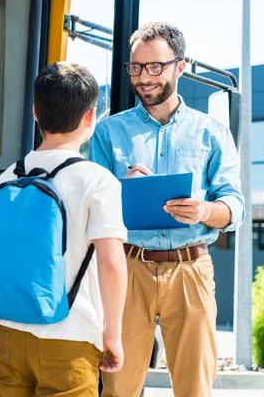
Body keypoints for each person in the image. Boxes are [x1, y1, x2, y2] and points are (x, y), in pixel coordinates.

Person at [90, 22, 245, 397]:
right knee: (116, 388)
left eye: (155, 67)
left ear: (181, 66)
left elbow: (234, 207)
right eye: (136, 67)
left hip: (190, 270)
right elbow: (90, 205)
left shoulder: (213, 133)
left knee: (195, 388)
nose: (144, 78)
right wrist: (117, 188)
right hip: (126, 269)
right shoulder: (107, 132)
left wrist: (205, 211)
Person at [0, 62, 128, 397]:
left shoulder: (9, 175)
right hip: (70, 335)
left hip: (7, 331)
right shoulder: (97, 180)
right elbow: (111, 263)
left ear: (36, 112)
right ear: (91, 118)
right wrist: (113, 334)